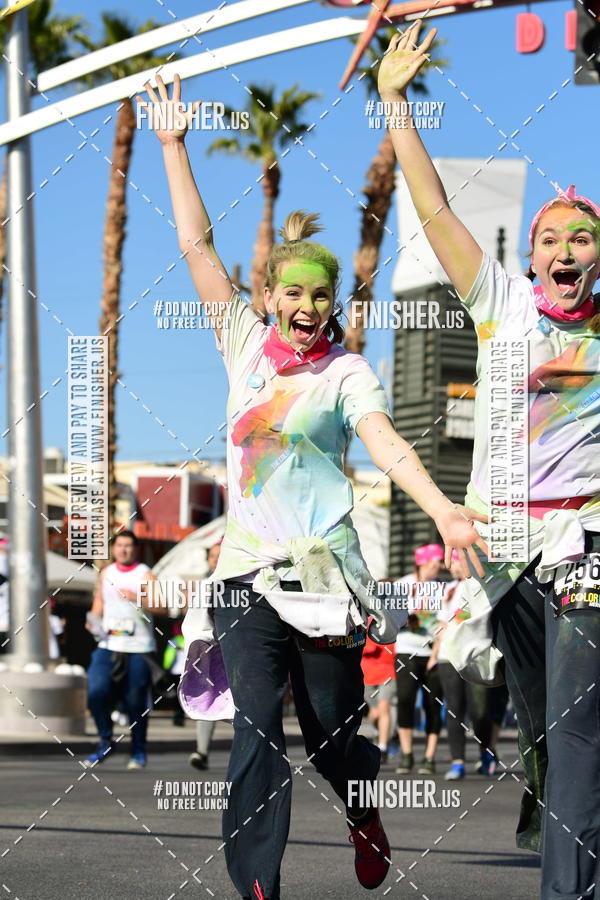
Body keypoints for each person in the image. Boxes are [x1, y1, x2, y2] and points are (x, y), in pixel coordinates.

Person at [138, 73, 487, 900]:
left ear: (333, 303)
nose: (306, 305)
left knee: (330, 734)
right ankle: (259, 883)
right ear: (268, 297)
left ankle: (363, 808)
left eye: (320, 294)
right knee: (258, 727)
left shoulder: (347, 372)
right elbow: (196, 247)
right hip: (244, 575)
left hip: (324, 578)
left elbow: (386, 443)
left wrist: (443, 509)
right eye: (291, 291)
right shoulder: (241, 343)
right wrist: (172, 146)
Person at [379, 21, 600, 899]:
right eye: (551, 239)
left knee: (577, 723)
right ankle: (563, 815)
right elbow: (434, 210)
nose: (564, 252)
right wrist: (396, 104)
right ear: (531, 254)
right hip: (501, 546)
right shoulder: (499, 300)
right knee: (543, 725)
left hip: (586, 543)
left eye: (581, 239)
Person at [83, 530, 167, 770]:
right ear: (113, 549)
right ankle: (105, 741)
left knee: (135, 701)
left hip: (139, 647)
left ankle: (138, 751)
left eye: (128, 545)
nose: (123, 550)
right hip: (108, 644)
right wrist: (92, 620)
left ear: (135, 549)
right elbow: (99, 603)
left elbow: (163, 607)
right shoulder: (106, 573)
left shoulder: (145, 574)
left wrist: (138, 598)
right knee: (96, 691)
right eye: (119, 545)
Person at [435, 552, 496, 779]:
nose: (451, 567)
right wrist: (435, 651)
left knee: (480, 710)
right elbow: (441, 622)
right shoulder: (448, 589)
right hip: (448, 656)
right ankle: (457, 762)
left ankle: (486, 752)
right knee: (454, 709)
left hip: (475, 654)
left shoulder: (482, 584)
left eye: (454, 561)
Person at [393, 544, 445, 775]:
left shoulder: (443, 588)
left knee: (433, 704)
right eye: (436, 563)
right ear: (423, 563)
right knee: (405, 699)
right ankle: (406, 754)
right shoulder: (402, 585)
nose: (439, 567)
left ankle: (429, 756)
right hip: (406, 650)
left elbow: (449, 619)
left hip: (434, 653)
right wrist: (408, 620)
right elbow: (389, 616)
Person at [189, 540, 222, 770]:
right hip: (210, 650)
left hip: (236, 649)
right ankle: (202, 751)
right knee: (206, 696)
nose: (216, 560)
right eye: (213, 556)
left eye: (220, 556)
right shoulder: (203, 585)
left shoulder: (241, 583)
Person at [360, 623, 396, 764]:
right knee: (374, 714)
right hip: (367, 674)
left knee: (384, 709)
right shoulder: (363, 621)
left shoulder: (391, 620)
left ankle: (383, 747)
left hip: (388, 672)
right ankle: (382, 733)